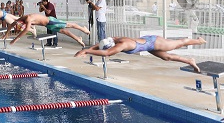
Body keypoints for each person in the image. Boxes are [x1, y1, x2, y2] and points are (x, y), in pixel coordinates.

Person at [75, 36, 207, 73]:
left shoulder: (122, 45)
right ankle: (190, 61)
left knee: (178, 43)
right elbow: (101, 46)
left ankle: (198, 40)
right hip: (148, 45)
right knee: (167, 57)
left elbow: (106, 53)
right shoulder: (114, 39)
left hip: (154, 42)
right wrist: (87, 49)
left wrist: (86, 51)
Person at [3, 13, 89, 47]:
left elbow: (26, 30)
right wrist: (6, 34)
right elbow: (12, 24)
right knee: (64, 31)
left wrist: (16, 39)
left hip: (51, 21)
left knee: (69, 25)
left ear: (22, 24)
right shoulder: (20, 19)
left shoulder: (28, 19)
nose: (22, 27)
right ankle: (78, 39)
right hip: (48, 25)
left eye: (21, 27)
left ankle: (83, 29)